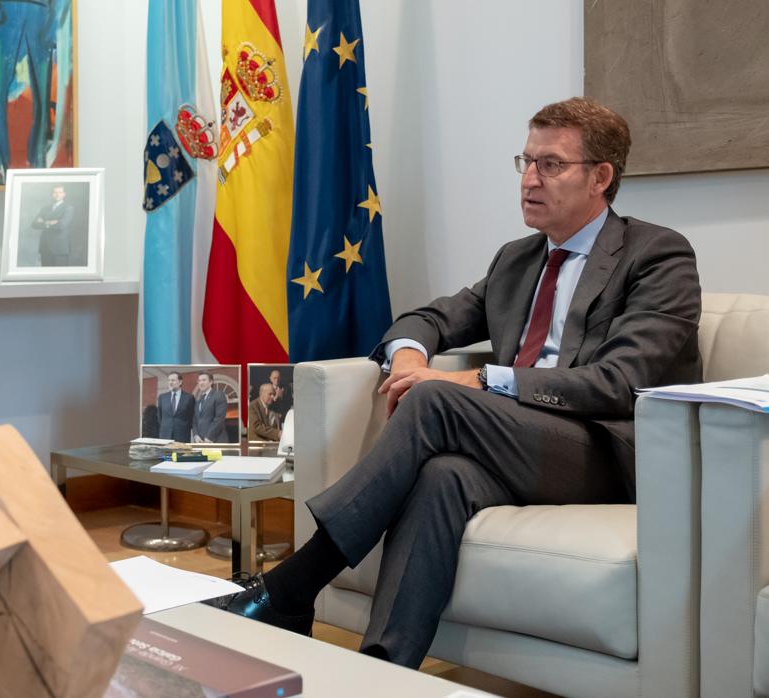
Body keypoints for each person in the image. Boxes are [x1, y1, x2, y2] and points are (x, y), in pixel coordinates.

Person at [212, 97, 703, 669]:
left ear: (601, 178)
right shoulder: (516, 261)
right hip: (518, 442)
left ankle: (294, 585)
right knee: (445, 475)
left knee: (437, 398)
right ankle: (384, 670)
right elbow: (430, 319)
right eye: (524, 161)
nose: (529, 179)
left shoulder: (657, 255)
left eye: (550, 164)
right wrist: (409, 357)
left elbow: (619, 383)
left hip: (606, 450)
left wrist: (481, 379)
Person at [31, 184, 74, 266]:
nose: (57, 195)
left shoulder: (68, 208)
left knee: (60, 276)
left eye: (60, 192)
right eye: (55, 192)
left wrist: (44, 222)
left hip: (60, 249)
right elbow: (34, 224)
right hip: (45, 247)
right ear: (52, 194)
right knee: (45, 276)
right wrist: (49, 222)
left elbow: (62, 225)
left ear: (64, 194)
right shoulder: (45, 208)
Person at [156, 371, 195, 442]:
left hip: (182, 436)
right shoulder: (162, 397)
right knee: (165, 453)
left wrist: (183, 427)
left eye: (173, 380)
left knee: (181, 453)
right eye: (169, 380)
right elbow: (159, 416)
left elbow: (191, 417)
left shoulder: (189, 398)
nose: (170, 382)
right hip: (165, 436)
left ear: (180, 382)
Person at [191, 371, 229, 443]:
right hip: (200, 441)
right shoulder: (198, 401)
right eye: (199, 381)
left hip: (215, 441)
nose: (201, 383)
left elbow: (219, 418)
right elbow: (194, 421)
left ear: (211, 382)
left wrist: (209, 437)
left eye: (204, 380)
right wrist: (195, 435)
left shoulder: (218, 395)